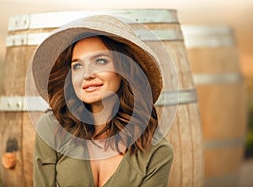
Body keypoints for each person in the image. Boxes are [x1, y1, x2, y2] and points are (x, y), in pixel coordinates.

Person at [32, 15, 173, 187]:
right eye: (77, 66)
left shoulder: (156, 152)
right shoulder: (52, 129)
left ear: (124, 69)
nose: (87, 74)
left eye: (100, 61)